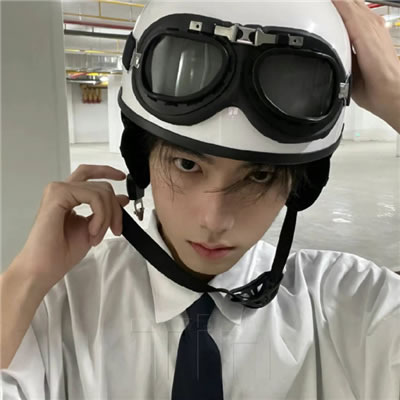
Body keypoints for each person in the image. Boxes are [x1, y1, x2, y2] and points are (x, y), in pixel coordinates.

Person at [1, 0, 400, 398]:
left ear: (299, 187)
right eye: (187, 165)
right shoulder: (60, 302)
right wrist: (25, 278)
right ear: (142, 160)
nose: (214, 219)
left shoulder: (348, 303)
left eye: (259, 175)